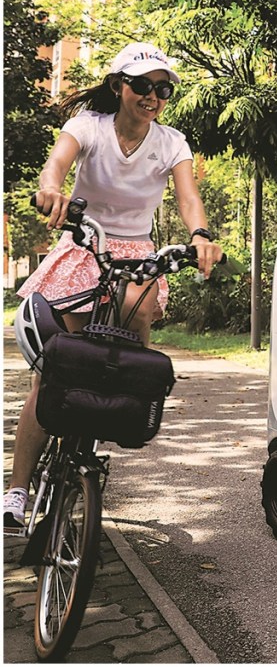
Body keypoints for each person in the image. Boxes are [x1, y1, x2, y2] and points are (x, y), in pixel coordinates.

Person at [3, 42, 222, 531]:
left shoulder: (172, 142)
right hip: (86, 240)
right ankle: (16, 491)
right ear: (119, 86)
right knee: (56, 369)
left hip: (138, 253)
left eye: (162, 89)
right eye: (142, 85)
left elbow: (189, 198)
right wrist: (52, 189)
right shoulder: (89, 126)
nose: (152, 96)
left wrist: (201, 235)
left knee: (135, 316)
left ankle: (115, 410)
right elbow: (57, 163)